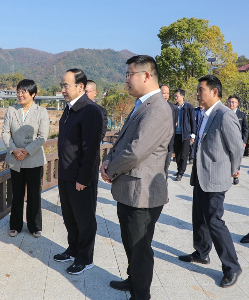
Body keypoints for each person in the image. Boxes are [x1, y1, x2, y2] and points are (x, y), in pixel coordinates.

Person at [101, 55, 173, 300]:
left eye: (129, 74)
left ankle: (141, 294)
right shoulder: (143, 105)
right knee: (131, 243)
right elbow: (123, 142)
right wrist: (109, 159)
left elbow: (136, 151)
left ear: (146, 75)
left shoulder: (157, 109)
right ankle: (133, 281)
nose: (126, 80)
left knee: (140, 249)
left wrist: (110, 170)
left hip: (142, 195)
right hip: (130, 190)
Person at [178, 75, 243, 288]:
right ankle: (202, 252)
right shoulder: (205, 114)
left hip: (216, 177)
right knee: (199, 217)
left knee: (215, 221)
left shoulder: (224, 115)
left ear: (214, 92)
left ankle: (232, 267)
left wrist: (231, 172)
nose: (197, 94)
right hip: (200, 175)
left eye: (200, 90)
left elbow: (236, 148)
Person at [54, 69, 103, 275]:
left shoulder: (90, 110)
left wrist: (84, 178)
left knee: (84, 219)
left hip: (81, 177)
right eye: (62, 85)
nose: (63, 90)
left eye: (66, 85)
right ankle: (73, 250)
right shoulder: (69, 109)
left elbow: (90, 149)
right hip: (66, 173)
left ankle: (85, 258)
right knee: (69, 217)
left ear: (80, 87)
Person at [2, 79, 50, 238]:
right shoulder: (11, 110)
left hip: (34, 159)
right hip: (16, 159)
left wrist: (26, 151)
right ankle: (15, 225)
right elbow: (5, 133)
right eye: (18, 91)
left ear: (33, 94)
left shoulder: (41, 112)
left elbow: (43, 137)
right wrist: (14, 150)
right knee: (16, 194)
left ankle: (35, 226)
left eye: (24, 92)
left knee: (34, 195)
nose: (20, 94)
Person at [173, 89, 196, 181]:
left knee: (184, 155)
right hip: (175, 134)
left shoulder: (189, 107)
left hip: (185, 134)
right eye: (174, 96)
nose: (175, 98)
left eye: (177, 96)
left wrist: (193, 134)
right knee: (177, 154)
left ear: (182, 96)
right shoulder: (174, 107)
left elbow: (192, 122)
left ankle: (181, 173)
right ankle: (179, 170)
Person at [226, 95, 248, 185]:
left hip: (238, 141)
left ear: (237, 104)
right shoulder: (224, 113)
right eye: (230, 102)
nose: (232, 104)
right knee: (227, 159)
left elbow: (245, 129)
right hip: (227, 140)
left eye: (234, 102)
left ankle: (236, 176)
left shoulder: (241, 115)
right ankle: (227, 175)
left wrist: (244, 141)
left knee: (237, 159)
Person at [160, 84, 178, 179]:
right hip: (157, 144)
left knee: (165, 168)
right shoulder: (153, 106)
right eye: (164, 93)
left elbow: (174, 124)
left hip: (168, 143)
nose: (166, 95)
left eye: (168, 93)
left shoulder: (174, 108)